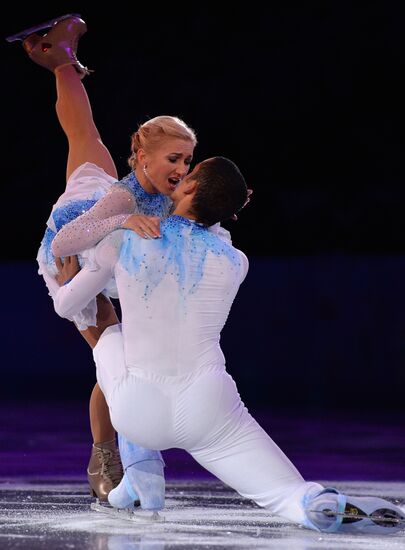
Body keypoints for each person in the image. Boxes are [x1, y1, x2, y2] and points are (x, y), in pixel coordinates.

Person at [52, 157, 404, 533]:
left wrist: (67, 281)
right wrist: (226, 202)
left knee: (111, 335)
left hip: (137, 410)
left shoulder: (128, 238)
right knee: (287, 491)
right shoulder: (236, 261)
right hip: (209, 407)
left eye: (189, 174)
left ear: (188, 188)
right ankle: (314, 504)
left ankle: (142, 478)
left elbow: (68, 306)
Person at [7, 13, 197, 502]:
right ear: (142, 158)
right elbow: (72, 241)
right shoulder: (124, 199)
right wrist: (118, 225)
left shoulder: (159, 189)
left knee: (82, 133)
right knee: (115, 357)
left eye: (186, 160)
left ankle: (61, 57)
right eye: (172, 159)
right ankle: (103, 452)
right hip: (75, 254)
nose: (181, 168)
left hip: (95, 214)